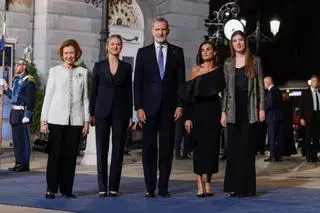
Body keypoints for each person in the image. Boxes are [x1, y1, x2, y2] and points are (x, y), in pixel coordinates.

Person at [134, 17, 186, 198]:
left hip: (169, 109)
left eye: (163, 29)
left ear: (168, 30)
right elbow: (137, 83)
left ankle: (163, 187)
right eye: (157, 29)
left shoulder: (177, 52)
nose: (160, 32)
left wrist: (180, 105)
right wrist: (138, 107)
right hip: (148, 109)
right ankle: (150, 187)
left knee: (166, 149)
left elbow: (181, 81)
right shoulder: (143, 53)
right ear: (152, 30)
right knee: (148, 149)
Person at [40, 39, 89, 199]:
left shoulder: (83, 72)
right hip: (55, 119)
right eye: (66, 53)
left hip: (76, 120)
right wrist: (44, 120)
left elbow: (85, 98)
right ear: (62, 54)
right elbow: (48, 96)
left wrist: (86, 121)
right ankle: (51, 188)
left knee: (70, 157)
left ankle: (67, 189)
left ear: (77, 54)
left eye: (72, 53)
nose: (69, 56)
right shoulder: (54, 71)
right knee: (55, 156)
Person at [220, 30, 265, 197]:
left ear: (245, 42)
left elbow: (260, 86)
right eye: (234, 41)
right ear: (232, 44)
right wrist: (223, 112)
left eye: (240, 40)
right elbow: (225, 90)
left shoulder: (256, 61)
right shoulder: (227, 63)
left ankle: (247, 187)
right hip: (232, 108)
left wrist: (261, 109)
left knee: (246, 148)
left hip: (250, 107)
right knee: (232, 149)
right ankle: (234, 186)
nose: (238, 43)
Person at [179, 41, 225, 197]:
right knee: (198, 148)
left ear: (214, 52)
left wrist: (223, 114)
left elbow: (223, 95)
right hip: (197, 112)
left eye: (208, 49)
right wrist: (187, 118)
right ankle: (199, 183)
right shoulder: (195, 70)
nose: (205, 52)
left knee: (212, 148)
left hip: (213, 112)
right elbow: (189, 97)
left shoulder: (220, 72)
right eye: (203, 50)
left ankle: (208, 183)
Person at [89, 34, 132, 197]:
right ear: (107, 46)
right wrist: (91, 113)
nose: (115, 47)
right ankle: (102, 186)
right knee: (102, 149)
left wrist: (130, 115)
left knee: (118, 149)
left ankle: (114, 186)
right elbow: (94, 91)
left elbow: (129, 92)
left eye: (118, 44)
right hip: (101, 112)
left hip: (121, 112)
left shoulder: (127, 67)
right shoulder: (99, 66)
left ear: (121, 47)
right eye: (112, 44)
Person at [0, 58, 36, 172]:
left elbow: (31, 99)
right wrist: (6, 89)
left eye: (18, 65)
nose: (16, 67)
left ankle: (24, 164)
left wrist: (28, 115)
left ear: (24, 67)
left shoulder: (29, 80)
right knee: (16, 141)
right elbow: (13, 97)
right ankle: (18, 162)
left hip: (22, 113)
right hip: (14, 113)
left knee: (24, 140)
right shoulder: (16, 80)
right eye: (15, 65)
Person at [298, 75, 320, 162]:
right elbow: (301, 106)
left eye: (317, 81)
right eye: (314, 81)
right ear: (311, 82)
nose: (315, 82)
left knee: (316, 138)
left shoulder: (319, 92)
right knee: (308, 138)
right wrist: (301, 118)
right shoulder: (305, 93)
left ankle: (314, 156)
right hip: (309, 117)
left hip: (318, 116)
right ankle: (308, 156)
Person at [263, 76, 283, 162]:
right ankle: (278, 155)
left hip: (271, 117)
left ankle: (272, 156)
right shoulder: (278, 91)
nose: (263, 85)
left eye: (264, 83)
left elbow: (270, 105)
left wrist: (262, 109)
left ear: (268, 82)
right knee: (278, 138)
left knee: (271, 137)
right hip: (279, 117)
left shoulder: (270, 92)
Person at [281, 91, 297, 156]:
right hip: (288, 122)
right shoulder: (291, 103)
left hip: (284, 122)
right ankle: (288, 151)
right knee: (289, 136)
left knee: (284, 136)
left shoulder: (281, 103)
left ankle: (284, 151)